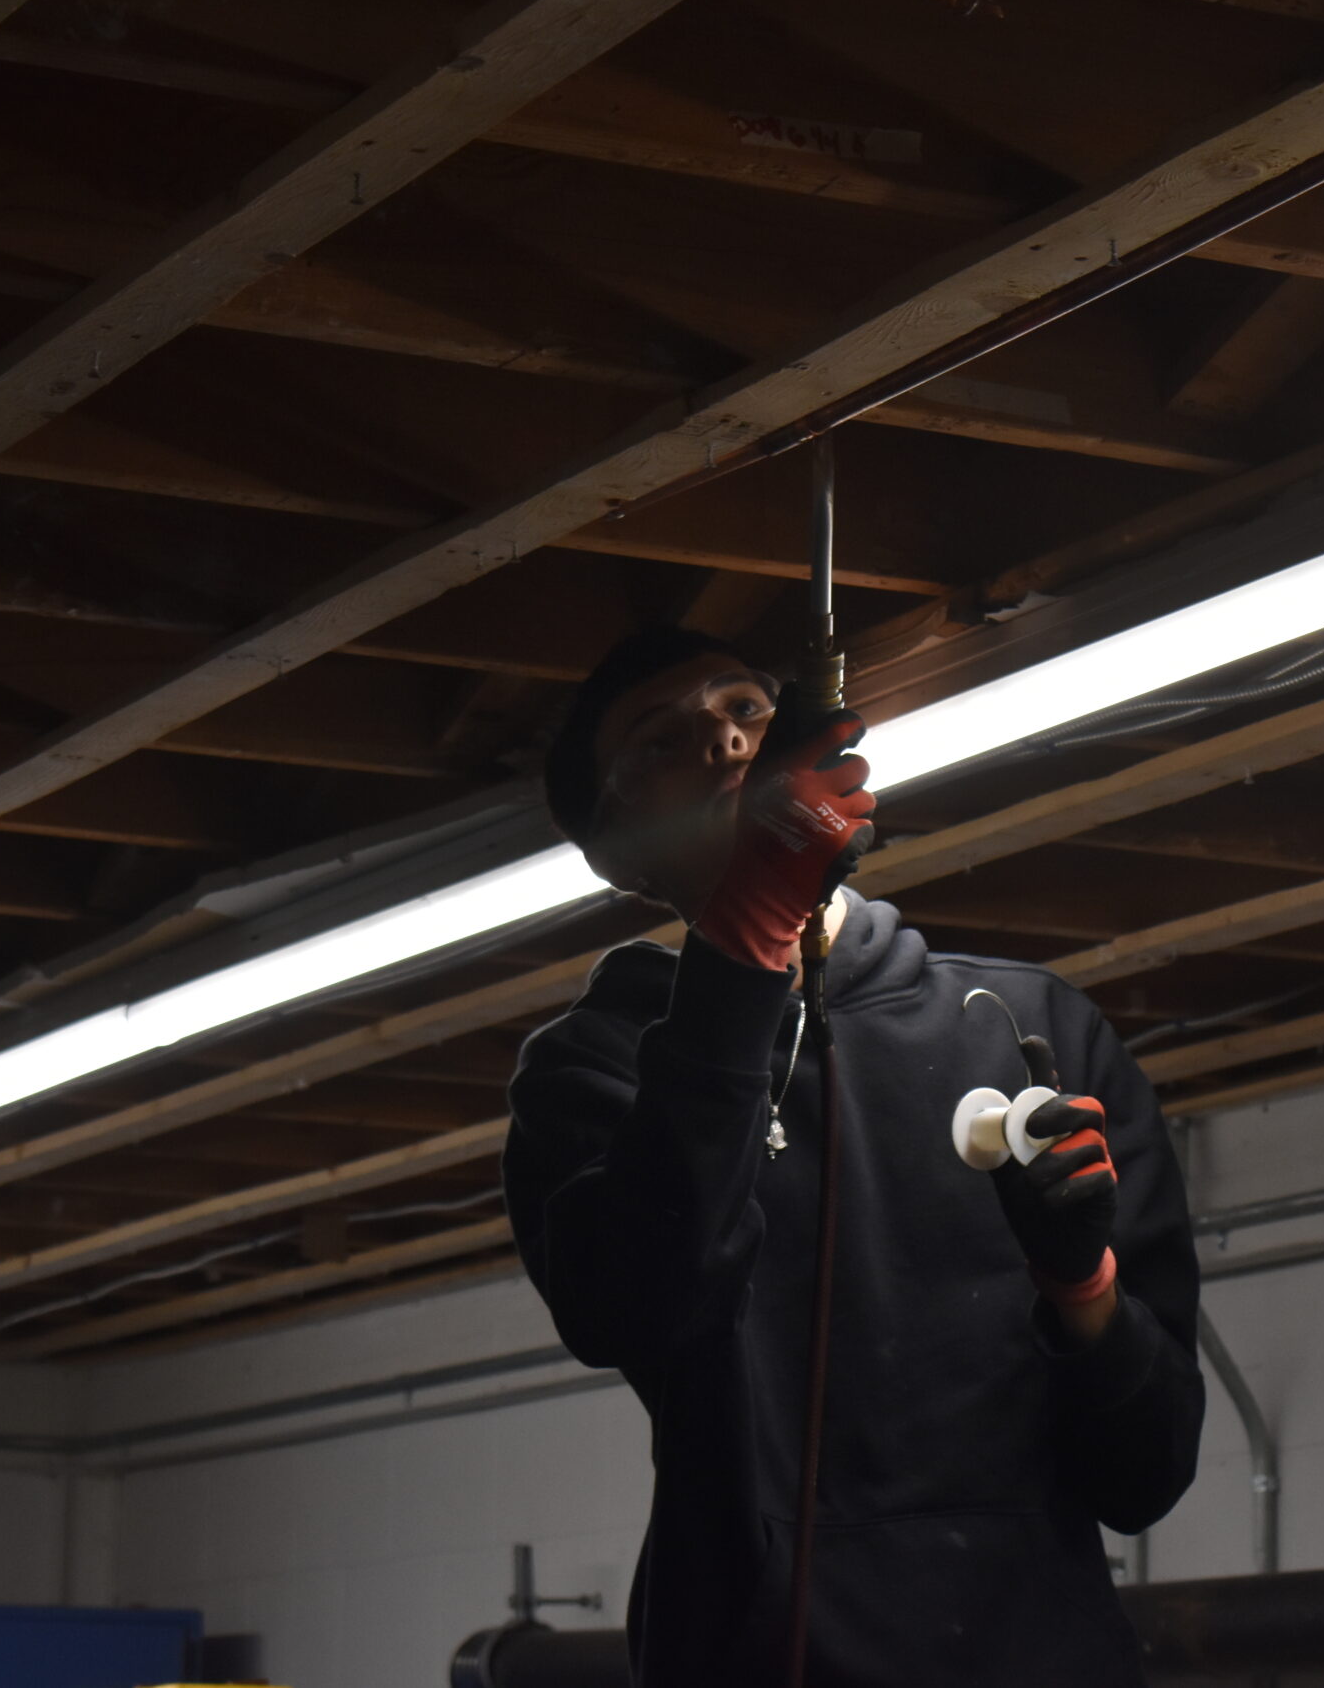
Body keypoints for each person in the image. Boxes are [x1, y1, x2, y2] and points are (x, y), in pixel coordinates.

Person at [503, 625, 1203, 1686]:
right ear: (617, 854)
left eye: (746, 709)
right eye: (661, 740)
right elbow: (633, 1303)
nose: (727, 745)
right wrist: (749, 930)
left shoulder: (1029, 1028)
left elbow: (1145, 1473)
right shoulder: (594, 1069)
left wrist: (1084, 1287)